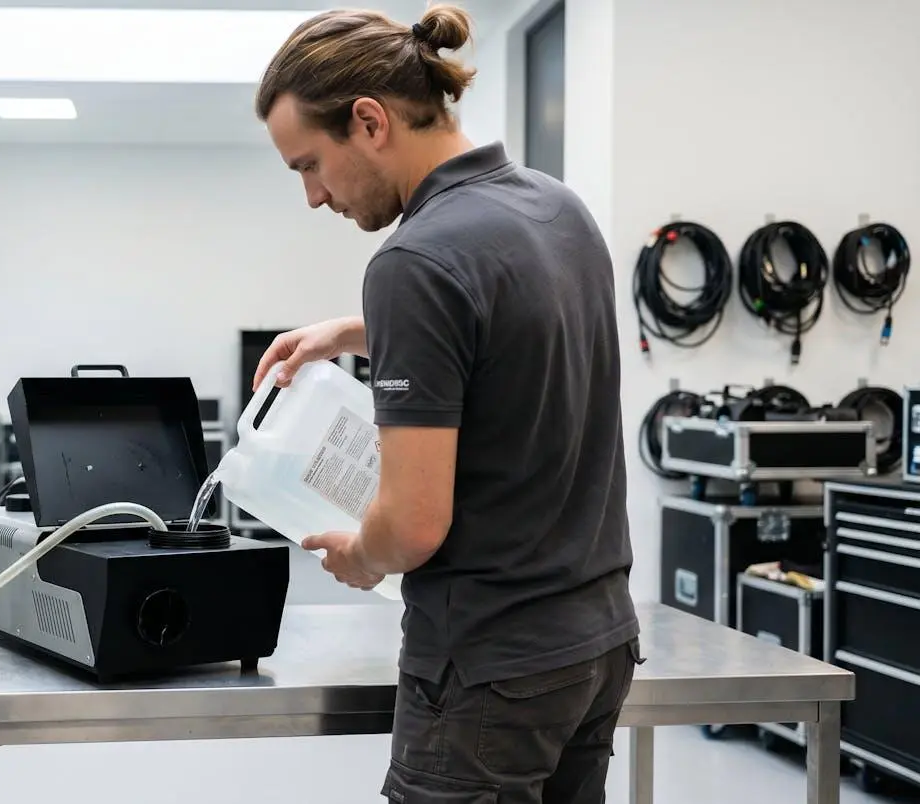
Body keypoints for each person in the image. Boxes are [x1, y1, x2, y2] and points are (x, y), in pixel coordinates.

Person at [251, 5, 641, 804]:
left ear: (369, 121)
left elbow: (413, 526)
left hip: (489, 674)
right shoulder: (555, 208)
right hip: (593, 646)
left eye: (309, 165)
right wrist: (354, 332)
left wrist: (360, 555)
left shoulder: (415, 260)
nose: (315, 198)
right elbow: (506, 328)